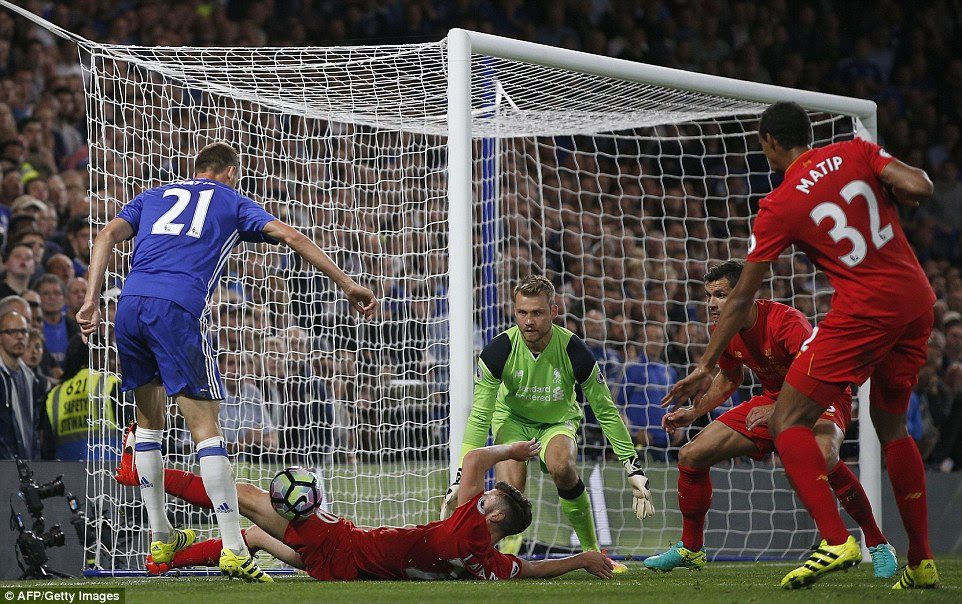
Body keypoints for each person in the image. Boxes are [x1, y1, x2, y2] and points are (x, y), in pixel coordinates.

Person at [663, 102, 939, 589]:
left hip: (863, 311)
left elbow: (743, 295)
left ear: (770, 142)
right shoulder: (855, 151)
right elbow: (919, 185)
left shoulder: (780, 204)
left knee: (787, 420)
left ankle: (837, 540)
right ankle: (920, 562)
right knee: (893, 428)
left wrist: (703, 366)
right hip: (916, 300)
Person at [76, 141, 377, 582]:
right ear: (230, 172)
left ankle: (160, 537)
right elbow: (292, 237)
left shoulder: (152, 196)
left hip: (129, 306)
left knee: (149, 425)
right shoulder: (232, 200)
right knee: (206, 428)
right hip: (176, 309)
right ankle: (234, 548)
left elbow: (104, 234)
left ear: (195, 168)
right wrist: (348, 284)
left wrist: (90, 300)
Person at [647, 260, 897, 578]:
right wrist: (694, 412)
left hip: (821, 394)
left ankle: (876, 543)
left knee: (821, 457)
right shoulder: (724, 329)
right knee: (691, 454)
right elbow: (729, 377)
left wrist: (780, 409)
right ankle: (691, 549)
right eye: (709, 296)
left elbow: (818, 374)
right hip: (774, 400)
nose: (711, 304)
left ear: (745, 293)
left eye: (720, 295)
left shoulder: (786, 322)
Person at [114, 428, 618, 582]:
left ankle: (138, 471)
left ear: (495, 514)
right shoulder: (489, 561)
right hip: (344, 564)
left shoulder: (468, 520)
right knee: (250, 537)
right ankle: (167, 560)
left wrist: (512, 450)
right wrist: (582, 559)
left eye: (492, 495)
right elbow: (533, 569)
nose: (484, 492)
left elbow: (474, 457)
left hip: (343, 544)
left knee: (243, 495)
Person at [442, 275, 653, 558]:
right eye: (522, 313)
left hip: (557, 422)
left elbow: (605, 410)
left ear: (553, 312)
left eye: (537, 313)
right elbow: (480, 417)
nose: (529, 321)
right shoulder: (499, 350)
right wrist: (460, 476)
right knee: (508, 495)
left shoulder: (574, 350)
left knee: (562, 466)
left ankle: (592, 551)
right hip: (512, 420)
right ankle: (492, 556)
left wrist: (632, 466)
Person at [0, 311, 53, 460]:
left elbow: (35, 430)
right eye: (12, 332)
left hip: (27, 464)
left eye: (24, 331)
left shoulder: (33, 380)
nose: (19, 337)